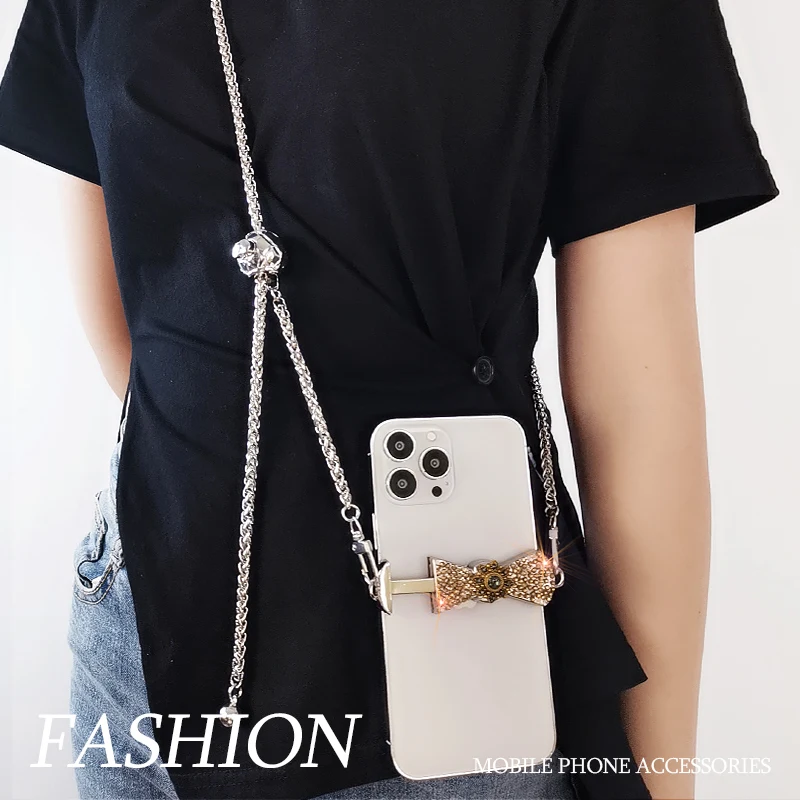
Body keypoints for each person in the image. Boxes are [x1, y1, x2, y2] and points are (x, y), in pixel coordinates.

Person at [0, 0, 779, 798]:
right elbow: (126, 310)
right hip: (134, 637)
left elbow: (637, 402)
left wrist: (657, 778)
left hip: (445, 652)